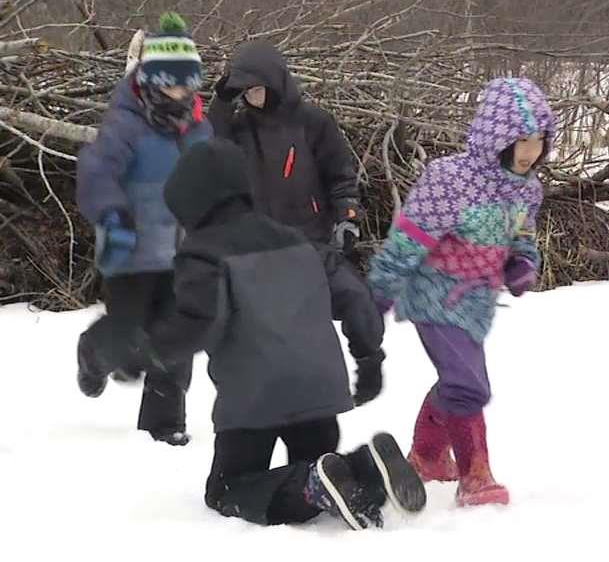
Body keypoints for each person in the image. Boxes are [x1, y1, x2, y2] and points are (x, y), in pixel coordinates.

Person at [90, 138, 425, 530]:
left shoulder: (202, 254)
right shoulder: (302, 242)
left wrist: (141, 356)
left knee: (228, 489)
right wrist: (369, 358)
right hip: (320, 394)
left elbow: (192, 323)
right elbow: (355, 297)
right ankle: (364, 467)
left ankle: (314, 484)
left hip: (254, 402)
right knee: (325, 474)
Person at [368, 77, 555, 507]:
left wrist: (523, 263)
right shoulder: (450, 179)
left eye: (540, 139)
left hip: (475, 303)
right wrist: (378, 292)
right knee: (468, 384)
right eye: (521, 139)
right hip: (433, 296)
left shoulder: (527, 189)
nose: (531, 151)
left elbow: (522, 237)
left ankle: (429, 454)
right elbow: (409, 238)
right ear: (497, 138)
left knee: (458, 381)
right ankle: (476, 475)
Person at [208, 40, 385, 404]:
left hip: (312, 243)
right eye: (245, 91)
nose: (251, 97)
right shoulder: (238, 129)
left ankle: (369, 363)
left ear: (275, 83)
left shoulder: (314, 123)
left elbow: (341, 177)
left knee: (356, 299)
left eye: (256, 89)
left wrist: (347, 216)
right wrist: (223, 100)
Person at [74, 12, 211, 446]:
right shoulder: (125, 125)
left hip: (183, 251)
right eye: (172, 84)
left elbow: (216, 180)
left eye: (188, 85)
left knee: (177, 335)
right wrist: (113, 216)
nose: (181, 93)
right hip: (129, 247)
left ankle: (164, 426)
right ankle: (93, 354)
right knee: (128, 333)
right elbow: (95, 174)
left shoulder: (200, 129)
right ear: (151, 82)